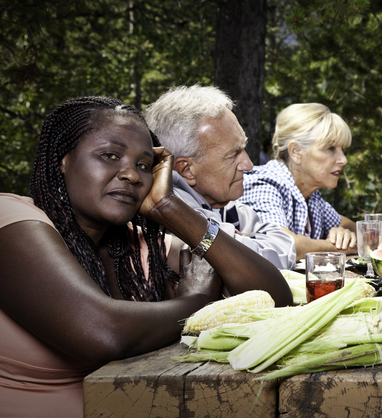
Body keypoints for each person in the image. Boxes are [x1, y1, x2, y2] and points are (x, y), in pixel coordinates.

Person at [0, 97, 292, 417]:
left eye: (143, 165)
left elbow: (274, 298)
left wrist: (171, 209)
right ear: (63, 160)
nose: (132, 175)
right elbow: (105, 332)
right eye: (110, 156)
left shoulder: (138, 246)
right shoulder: (12, 219)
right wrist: (197, 301)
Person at [145, 85, 296, 270]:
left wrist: (240, 241)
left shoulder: (224, 205)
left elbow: (285, 244)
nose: (248, 164)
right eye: (233, 154)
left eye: (243, 148)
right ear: (187, 170)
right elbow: (261, 267)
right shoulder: (173, 209)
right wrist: (243, 241)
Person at [240, 103, 356, 261]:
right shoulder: (265, 184)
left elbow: (350, 226)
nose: (343, 160)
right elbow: (282, 245)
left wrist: (342, 232)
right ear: (296, 152)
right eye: (330, 148)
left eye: (343, 150)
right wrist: (339, 247)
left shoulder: (310, 195)